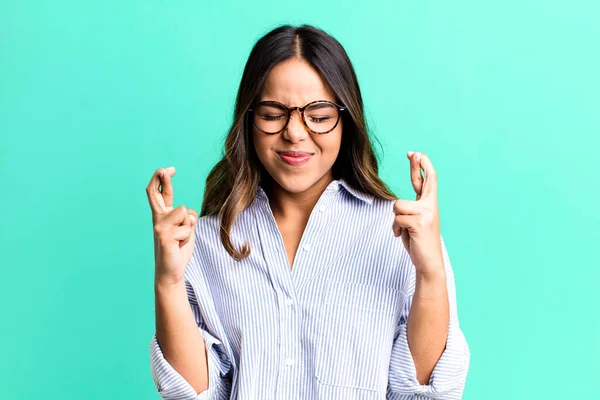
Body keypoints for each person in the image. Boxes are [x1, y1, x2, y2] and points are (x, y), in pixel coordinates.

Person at [146, 24, 470, 400]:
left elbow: (425, 395)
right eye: (272, 113)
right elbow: (196, 395)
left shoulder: (403, 236)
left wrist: (430, 273)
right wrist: (167, 283)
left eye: (318, 114)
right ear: (248, 120)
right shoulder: (203, 242)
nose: (295, 133)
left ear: (346, 120)